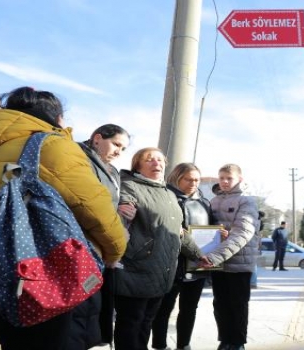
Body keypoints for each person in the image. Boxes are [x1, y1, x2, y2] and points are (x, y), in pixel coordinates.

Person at [0, 86, 127, 350]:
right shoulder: (52, 146)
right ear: (56, 117)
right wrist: (115, 251)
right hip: (49, 278)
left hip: (2, 275)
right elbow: (96, 210)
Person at [113, 149, 206, 350]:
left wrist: (198, 255)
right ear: (138, 165)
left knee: (146, 323)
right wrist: (118, 209)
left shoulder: (167, 193)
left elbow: (178, 231)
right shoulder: (128, 185)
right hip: (135, 269)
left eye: (160, 159)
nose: (157, 163)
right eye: (150, 159)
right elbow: (115, 215)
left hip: (162, 271)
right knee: (130, 324)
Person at [151, 162, 221, 350]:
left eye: (196, 179)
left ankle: (184, 345)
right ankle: (159, 345)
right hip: (170, 264)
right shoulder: (166, 197)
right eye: (188, 179)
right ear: (177, 178)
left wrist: (220, 233)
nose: (193, 183)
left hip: (196, 265)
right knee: (163, 309)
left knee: (189, 309)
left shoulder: (204, 202)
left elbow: (212, 228)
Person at [77, 123, 131, 347]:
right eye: (116, 144)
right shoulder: (79, 158)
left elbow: (109, 201)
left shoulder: (113, 171)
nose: (119, 151)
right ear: (97, 138)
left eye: (124, 148)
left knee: (94, 310)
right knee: (80, 310)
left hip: (102, 247)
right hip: (81, 244)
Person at [200, 164, 259, 350]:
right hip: (217, 263)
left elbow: (243, 232)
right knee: (220, 304)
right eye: (221, 178)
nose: (224, 182)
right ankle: (225, 340)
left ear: (239, 179)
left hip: (238, 263)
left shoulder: (247, 201)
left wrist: (215, 257)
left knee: (238, 305)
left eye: (229, 178)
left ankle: (237, 343)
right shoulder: (213, 201)